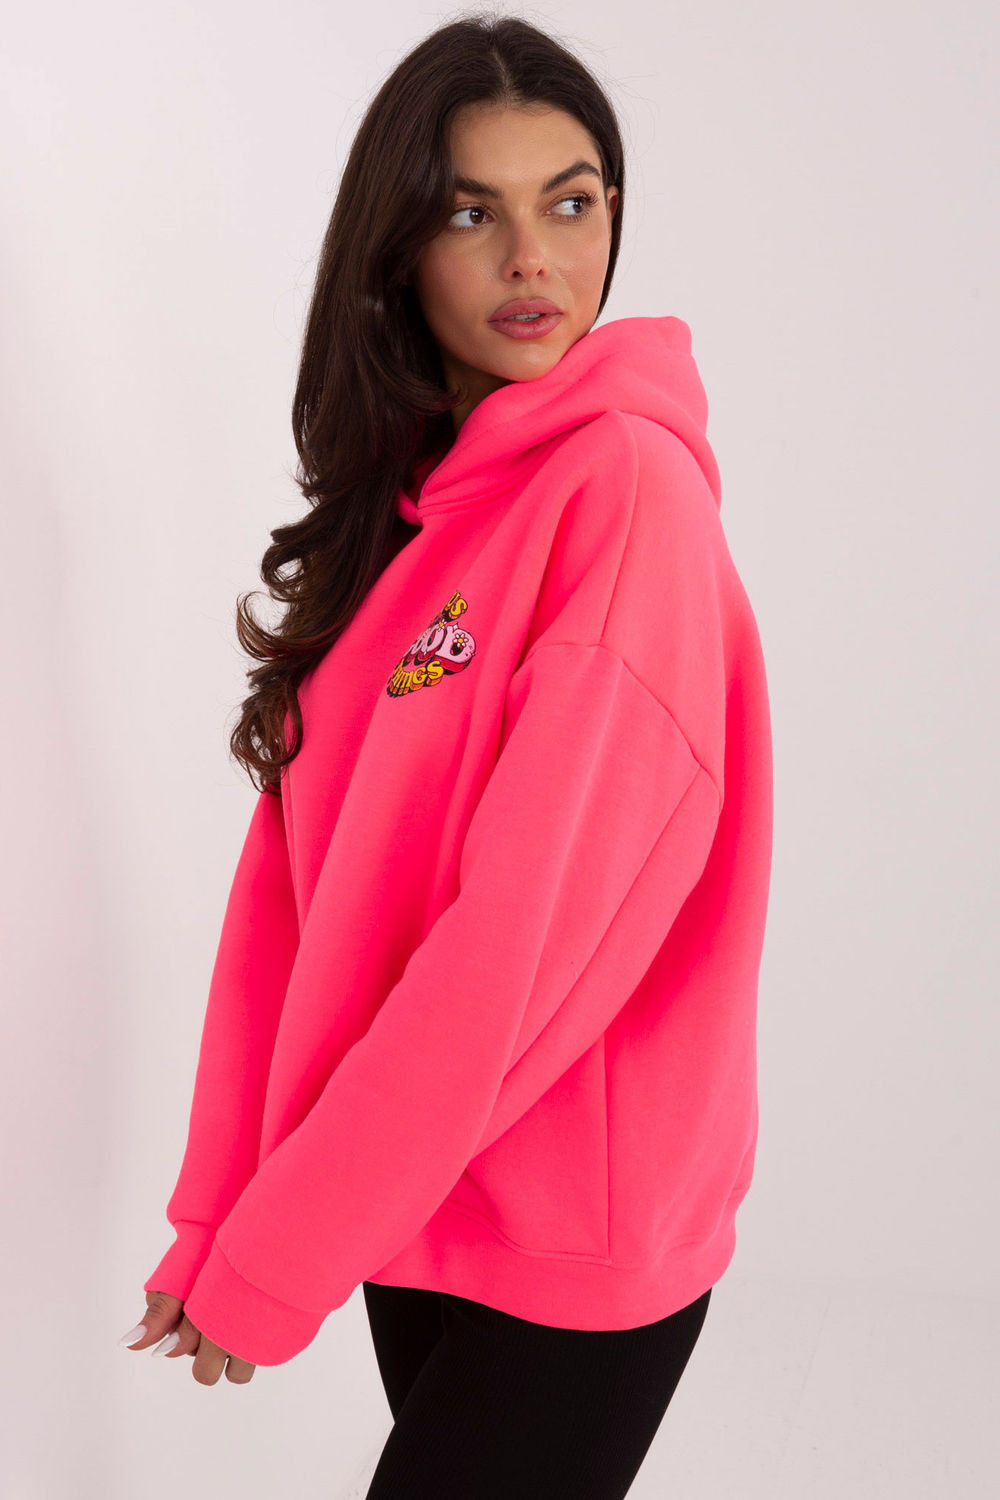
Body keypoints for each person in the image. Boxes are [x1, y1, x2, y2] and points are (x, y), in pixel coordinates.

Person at [119, 14, 773, 1497]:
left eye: (570, 201)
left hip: (570, 1233)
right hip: (420, 1204)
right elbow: (299, 904)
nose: (533, 258)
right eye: (474, 213)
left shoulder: (627, 494)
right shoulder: (416, 519)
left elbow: (512, 948)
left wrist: (287, 1238)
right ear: (400, 244)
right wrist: (225, 1209)